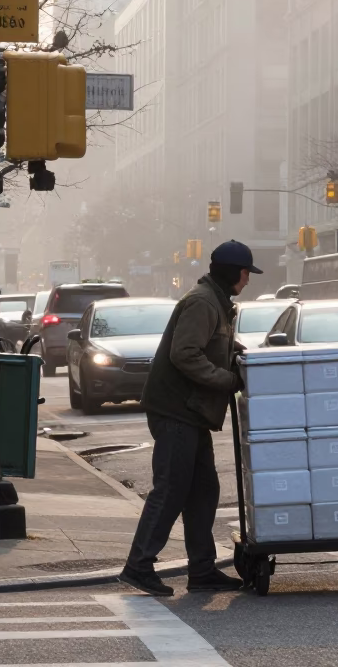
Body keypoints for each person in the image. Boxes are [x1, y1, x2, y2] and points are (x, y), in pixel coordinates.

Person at [120, 240, 262, 597]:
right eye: (246, 274)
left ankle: (202, 571)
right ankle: (138, 566)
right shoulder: (202, 302)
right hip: (176, 410)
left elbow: (215, 345)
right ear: (234, 272)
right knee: (170, 489)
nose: (247, 281)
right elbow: (185, 354)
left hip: (192, 412)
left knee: (203, 491)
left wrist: (247, 359)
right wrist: (228, 380)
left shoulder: (217, 303)